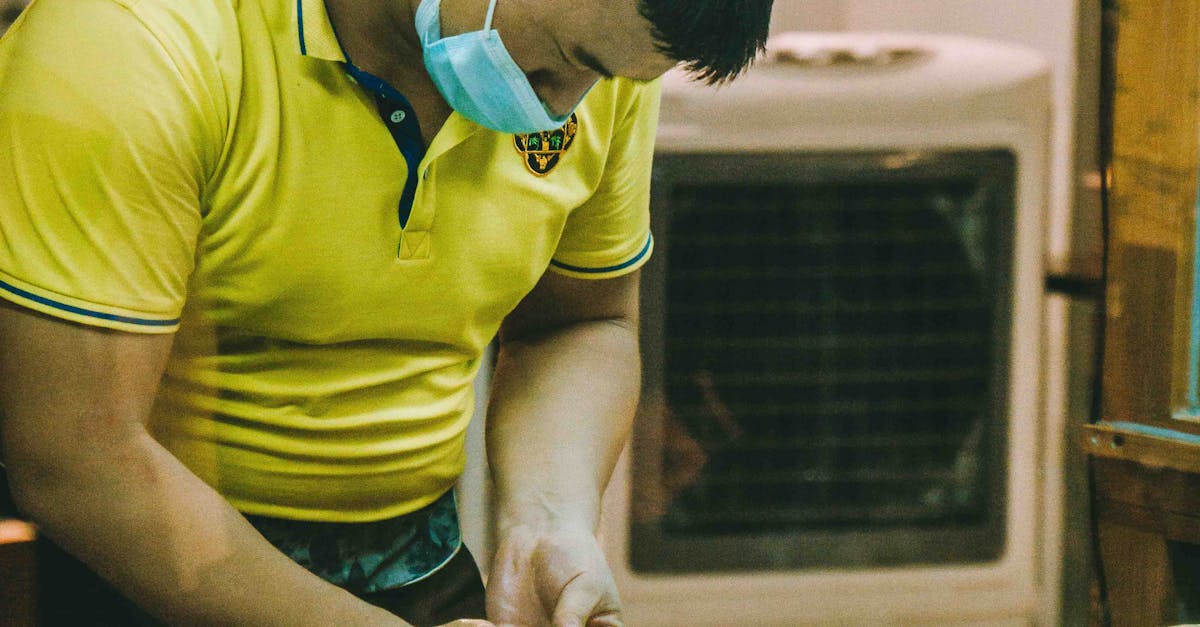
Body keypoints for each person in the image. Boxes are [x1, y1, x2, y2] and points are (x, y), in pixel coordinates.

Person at [0, 0, 772, 624]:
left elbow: (578, 322)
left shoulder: (602, 72)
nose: (563, 111)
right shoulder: (138, 37)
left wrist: (549, 520)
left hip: (421, 561)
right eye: (574, 63)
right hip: (153, 566)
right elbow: (75, 457)